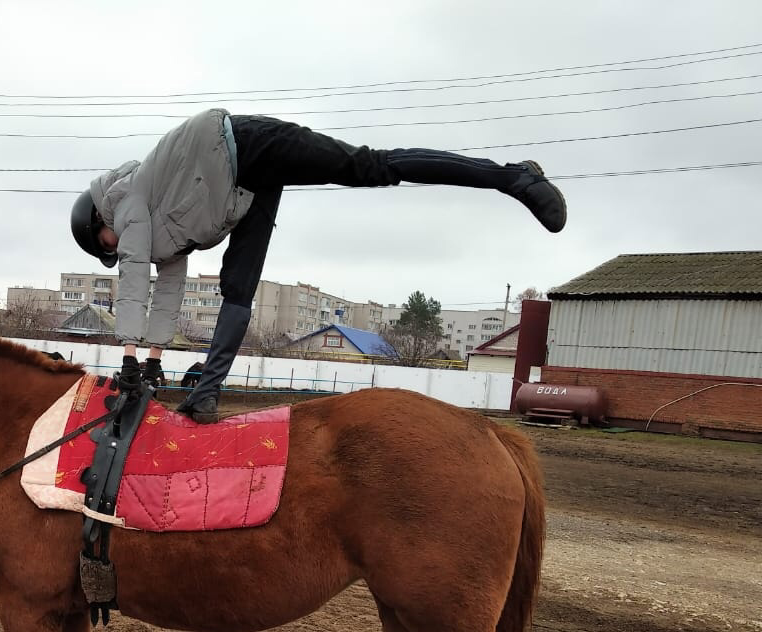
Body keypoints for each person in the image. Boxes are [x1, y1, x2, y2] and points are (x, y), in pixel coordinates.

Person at [70, 109, 567, 423]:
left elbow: (134, 277)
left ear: (100, 220)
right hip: (246, 192)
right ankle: (206, 395)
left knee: (370, 166)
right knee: (238, 286)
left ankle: (513, 178)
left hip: (244, 144)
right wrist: (153, 361)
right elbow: (168, 288)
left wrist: (129, 359)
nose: (113, 252)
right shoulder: (162, 235)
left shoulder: (127, 202)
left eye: (105, 246)